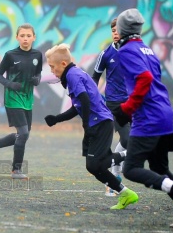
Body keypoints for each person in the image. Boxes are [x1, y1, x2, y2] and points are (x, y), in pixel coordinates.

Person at [111, 8, 173, 229]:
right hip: (163, 113)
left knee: (131, 168)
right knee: (159, 168)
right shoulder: (147, 49)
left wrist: (127, 108)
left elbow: (144, 79)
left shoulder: (126, 51)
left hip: (149, 117)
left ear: (123, 29)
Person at [43, 43, 139, 209]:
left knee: (96, 165)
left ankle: (127, 155)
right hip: (100, 122)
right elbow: (78, 106)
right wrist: (57, 119)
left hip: (100, 123)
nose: (52, 70)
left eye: (52, 67)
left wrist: (87, 126)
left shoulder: (72, 75)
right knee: (94, 166)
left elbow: (85, 100)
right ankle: (125, 194)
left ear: (63, 64)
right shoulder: (73, 73)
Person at [0, 24, 42, 179]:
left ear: (34, 37)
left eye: (28, 36)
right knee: (23, 133)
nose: (25, 38)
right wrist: (10, 84)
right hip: (12, 98)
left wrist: (37, 80)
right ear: (17, 37)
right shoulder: (10, 55)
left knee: (23, 135)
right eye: (22, 35)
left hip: (27, 99)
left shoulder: (38, 55)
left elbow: (38, 74)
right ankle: (16, 170)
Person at [92, 18, 131, 196]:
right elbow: (94, 79)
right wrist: (94, 100)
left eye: (119, 30)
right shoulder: (106, 54)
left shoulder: (134, 53)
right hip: (115, 105)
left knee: (128, 142)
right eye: (113, 30)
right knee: (128, 140)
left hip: (134, 103)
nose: (115, 33)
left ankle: (113, 176)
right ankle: (114, 175)